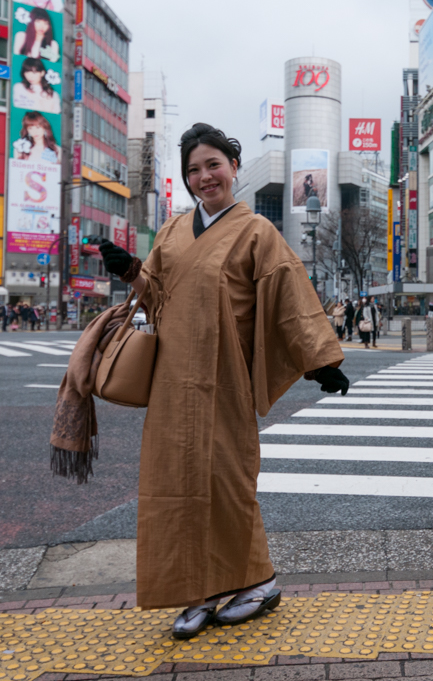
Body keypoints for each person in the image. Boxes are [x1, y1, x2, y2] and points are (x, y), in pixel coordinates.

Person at [83, 122, 347, 637]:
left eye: (213, 165)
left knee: (226, 481)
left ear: (232, 168)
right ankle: (196, 592)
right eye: (193, 170)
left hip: (225, 375)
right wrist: (131, 270)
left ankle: (258, 582)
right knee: (172, 485)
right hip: (170, 377)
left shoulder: (257, 232)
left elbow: (288, 298)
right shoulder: (173, 231)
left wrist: (319, 360)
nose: (205, 177)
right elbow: (157, 296)